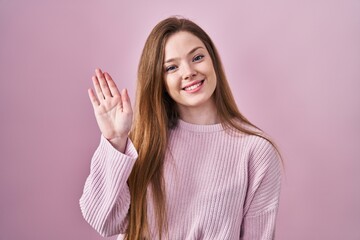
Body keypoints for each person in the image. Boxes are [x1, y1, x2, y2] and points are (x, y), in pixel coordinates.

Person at [80, 16, 282, 240]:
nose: (188, 72)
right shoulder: (143, 144)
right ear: (158, 79)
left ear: (213, 61)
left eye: (197, 57)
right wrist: (115, 139)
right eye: (171, 67)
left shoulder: (256, 152)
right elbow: (104, 221)